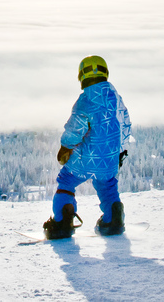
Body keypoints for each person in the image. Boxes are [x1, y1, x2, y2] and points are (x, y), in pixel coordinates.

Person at [43, 55, 132, 240]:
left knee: (66, 182)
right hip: (109, 159)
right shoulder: (116, 98)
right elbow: (125, 124)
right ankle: (113, 219)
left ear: (81, 76)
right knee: (107, 186)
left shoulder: (85, 100)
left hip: (84, 159)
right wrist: (120, 152)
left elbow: (76, 127)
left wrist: (65, 147)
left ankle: (63, 221)